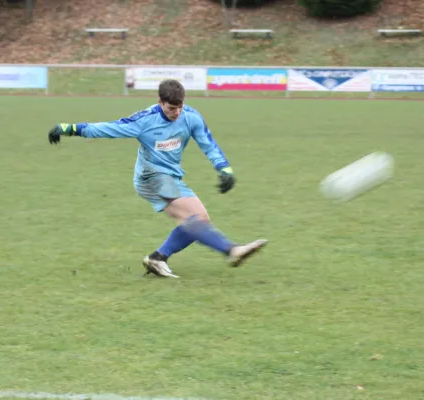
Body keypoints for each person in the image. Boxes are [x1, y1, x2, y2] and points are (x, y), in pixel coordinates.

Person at [46, 79, 267, 278]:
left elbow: (207, 143)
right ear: (160, 102)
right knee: (193, 219)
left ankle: (158, 258)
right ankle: (231, 250)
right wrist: (69, 129)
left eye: (180, 107)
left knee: (200, 219)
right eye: (172, 108)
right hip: (150, 178)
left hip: (171, 177)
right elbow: (108, 128)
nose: (177, 112)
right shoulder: (145, 121)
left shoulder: (191, 117)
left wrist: (224, 169)